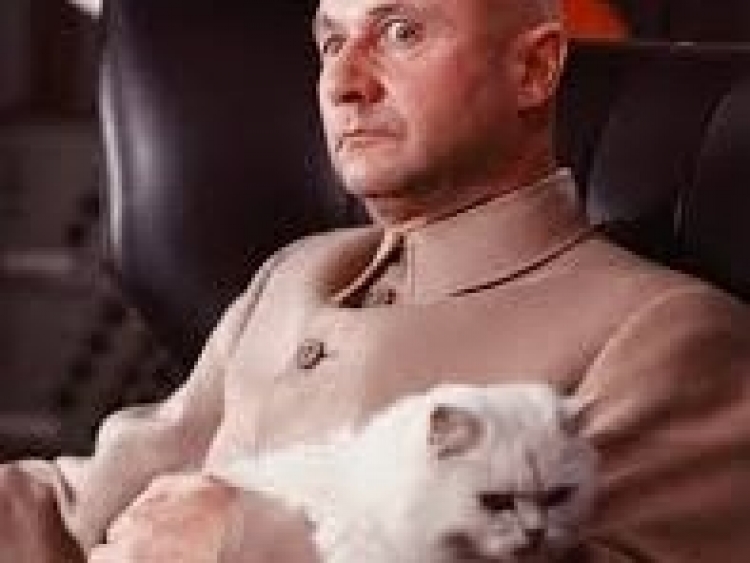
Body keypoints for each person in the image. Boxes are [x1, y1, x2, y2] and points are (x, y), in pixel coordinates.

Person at [4, 0, 750, 561]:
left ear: (533, 69)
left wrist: (248, 543)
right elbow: (81, 505)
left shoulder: (668, 331)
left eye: (400, 32)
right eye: (332, 41)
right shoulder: (294, 273)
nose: (344, 82)